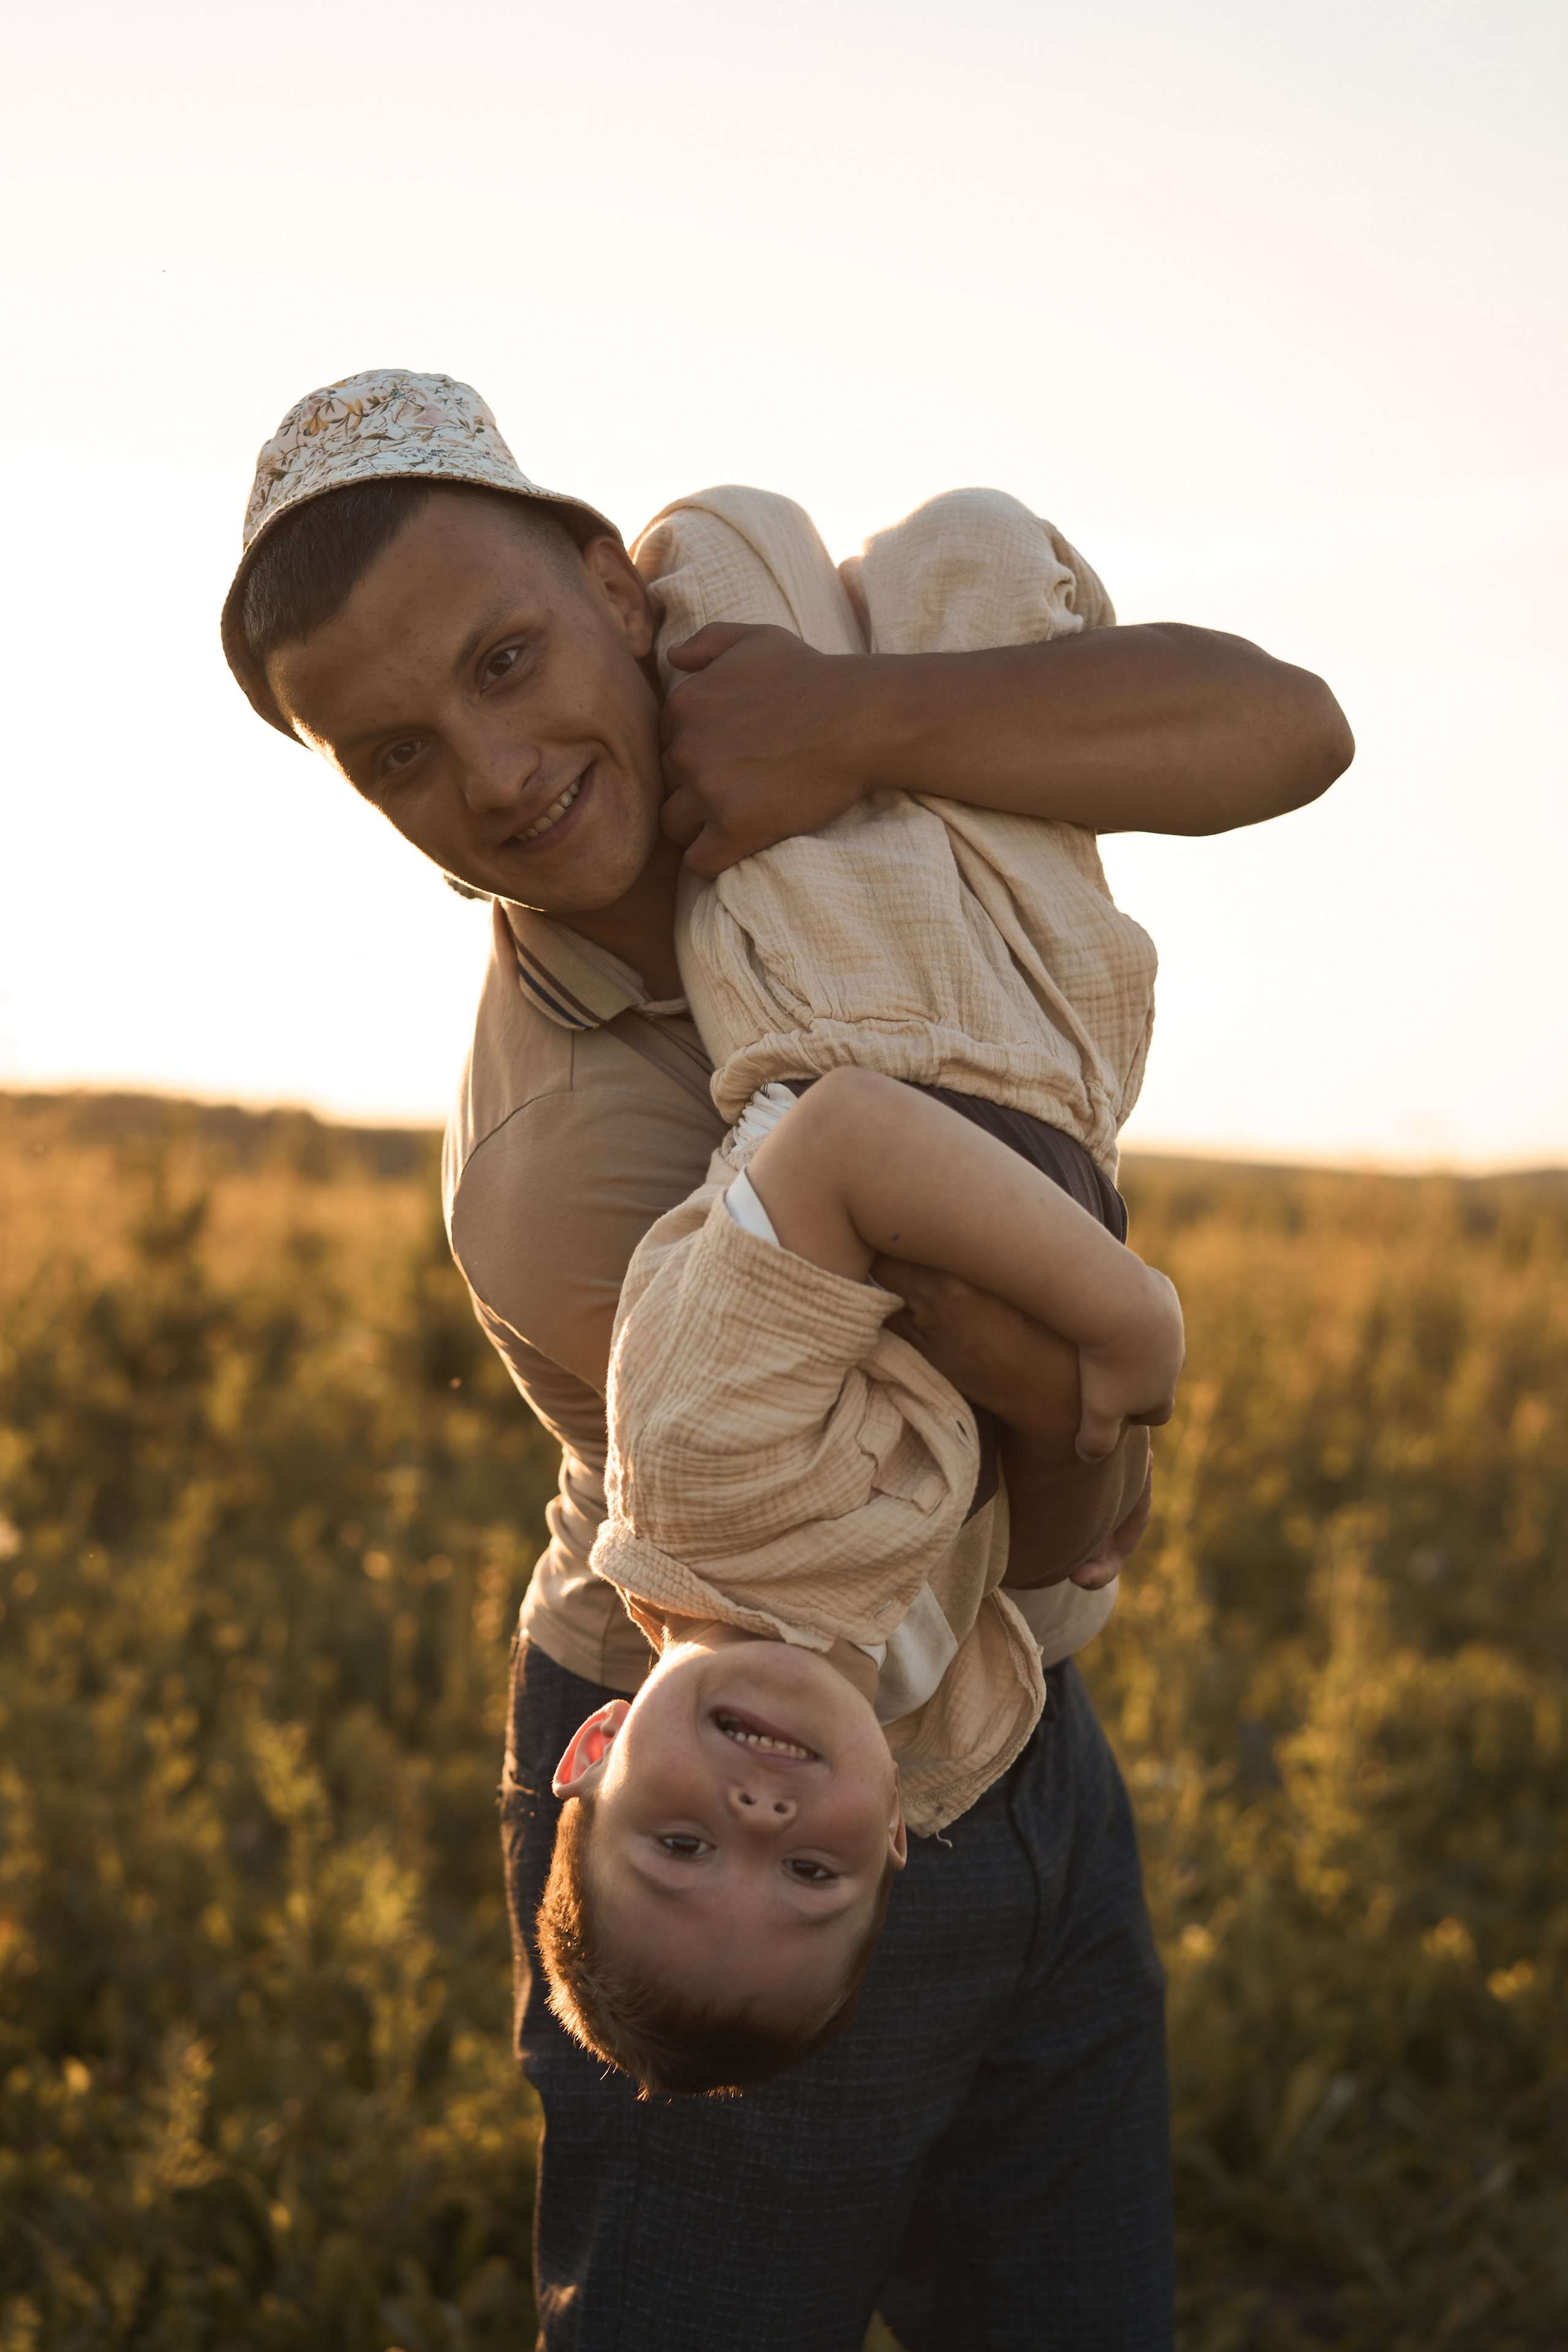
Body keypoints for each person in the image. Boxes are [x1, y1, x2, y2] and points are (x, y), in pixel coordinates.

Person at [222, 370, 1353, 2351]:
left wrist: (860, 723)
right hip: (715, 1783)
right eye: (396, 754)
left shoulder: (841, 777)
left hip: (1005, 1724)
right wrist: (1105, 1406)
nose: (488, 776)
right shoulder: (559, 1172)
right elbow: (1047, 1442)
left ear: (613, 580)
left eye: (509, 659)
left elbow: (1287, 728)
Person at [542, 484, 1190, 2095]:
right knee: (982, 556)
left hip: (866, 996)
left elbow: (840, 1143)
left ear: (598, 1745)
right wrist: (1100, 1481)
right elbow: (1055, 1549)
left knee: (720, 551)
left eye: (677, 1844)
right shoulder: (927, 1720)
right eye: (811, 1879)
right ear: (894, 1842)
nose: (758, 1827)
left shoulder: (699, 1468)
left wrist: (1127, 1324)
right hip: (1051, 1050)